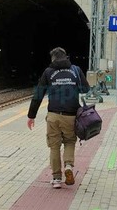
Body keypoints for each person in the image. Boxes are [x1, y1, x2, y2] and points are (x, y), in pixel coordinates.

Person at [27, 47, 90, 189]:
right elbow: (85, 89)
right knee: (69, 141)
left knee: (54, 146)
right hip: (71, 115)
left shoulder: (48, 72)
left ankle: (56, 179)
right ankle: (68, 165)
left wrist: (31, 116)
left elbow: (38, 95)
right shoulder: (75, 70)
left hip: (53, 115)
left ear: (53, 59)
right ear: (66, 57)